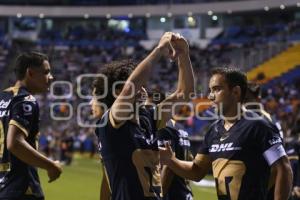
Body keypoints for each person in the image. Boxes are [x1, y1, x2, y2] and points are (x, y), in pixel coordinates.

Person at [159, 67, 293, 200]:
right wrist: (171, 161)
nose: (210, 96)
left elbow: (283, 168)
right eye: (210, 90)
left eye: (217, 89)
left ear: (235, 92)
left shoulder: (259, 126)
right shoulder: (213, 130)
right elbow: (197, 171)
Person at [92, 32, 194, 200]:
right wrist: (159, 50)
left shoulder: (148, 118)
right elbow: (130, 87)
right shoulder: (111, 122)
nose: (144, 90)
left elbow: (185, 93)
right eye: (141, 86)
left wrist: (183, 54)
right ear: (118, 91)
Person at [0, 52, 62, 200]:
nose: (51, 77)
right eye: (46, 72)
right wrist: (51, 165)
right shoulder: (26, 100)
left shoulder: (3, 98)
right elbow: (14, 143)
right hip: (21, 188)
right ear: (30, 73)